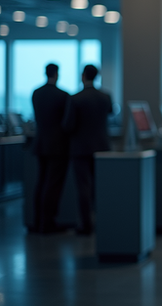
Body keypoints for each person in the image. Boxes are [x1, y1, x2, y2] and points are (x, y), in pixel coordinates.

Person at [62, 65, 113, 235]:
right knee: (101, 187)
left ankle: (86, 225)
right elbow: (111, 114)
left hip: (80, 149)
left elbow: (68, 125)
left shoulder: (75, 98)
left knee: (83, 187)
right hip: (102, 147)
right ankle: (103, 221)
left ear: (83, 76)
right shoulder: (105, 97)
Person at [31, 64, 70, 233]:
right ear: (57, 74)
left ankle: (37, 221)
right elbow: (67, 123)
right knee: (53, 185)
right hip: (58, 146)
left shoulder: (36, 93)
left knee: (41, 182)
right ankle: (48, 223)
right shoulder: (63, 95)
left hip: (41, 143)